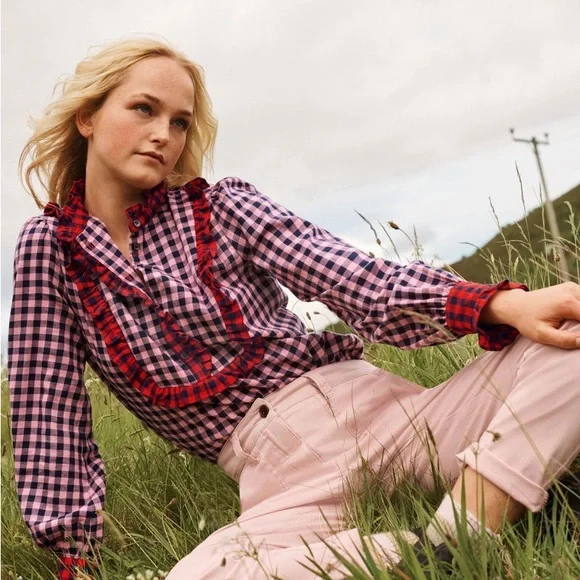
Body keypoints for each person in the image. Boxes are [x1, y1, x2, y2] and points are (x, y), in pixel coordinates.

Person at [7, 36, 580, 580]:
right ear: (88, 117)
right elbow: (47, 410)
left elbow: (354, 277)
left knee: (572, 340)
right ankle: (421, 549)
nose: (163, 134)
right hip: (286, 483)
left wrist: (501, 304)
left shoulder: (222, 208)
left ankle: (461, 540)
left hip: (392, 420)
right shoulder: (50, 251)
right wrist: (75, 555)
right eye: (143, 109)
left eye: (180, 122)